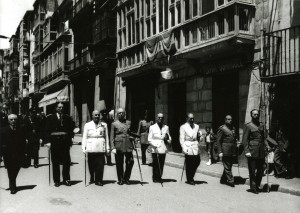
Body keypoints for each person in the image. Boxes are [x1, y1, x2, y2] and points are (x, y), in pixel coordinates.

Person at [45, 102, 75, 187]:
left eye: (62, 107)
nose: (61, 109)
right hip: (54, 143)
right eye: (59, 107)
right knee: (55, 162)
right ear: (56, 108)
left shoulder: (67, 118)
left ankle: (66, 179)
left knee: (66, 162)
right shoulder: (50, 118)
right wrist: (48, 142)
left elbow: (71, 130)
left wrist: (71, 138)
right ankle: (57, 180)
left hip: (65, 143)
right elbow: (47, 131)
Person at [242, 109, 270, 194]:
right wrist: (247, 151)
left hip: (261, 151)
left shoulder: (261, 125)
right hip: (252, 151)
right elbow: (245, 140)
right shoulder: (248, 126)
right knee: (252, 170)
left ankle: (257, 184)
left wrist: (267, 146)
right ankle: (253, 187)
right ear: (251, 115)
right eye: (254, 114)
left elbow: (264, 138)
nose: (256, 116)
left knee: (261, 169)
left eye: (257, 114)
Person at [0, 114, 27, 194]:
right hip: (7, 153)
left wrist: (25, 152)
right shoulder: (3, 130)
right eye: (11, 119)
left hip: (18, 153)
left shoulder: (21, 129)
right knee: (10, 169)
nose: (13, 121)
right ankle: (13, 186)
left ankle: (12, 181)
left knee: (17, 168)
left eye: (15, 119)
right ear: (8, 121)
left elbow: (23, 142)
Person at [82, 110, 110, 186]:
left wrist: (107, 148)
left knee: (100, 164)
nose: (97, 116)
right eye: (95, 115)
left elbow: (106, 137)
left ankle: (99, 180)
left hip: (101, 147)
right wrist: (83, 148)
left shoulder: (104, 125)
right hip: (91, 147)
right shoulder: (87, 125)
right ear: (92, 116)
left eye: (98, 115)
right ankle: (92, 176)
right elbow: (84, 137)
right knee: (91, 164)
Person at [110, 108, 134, 185]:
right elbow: (112, 137)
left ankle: (126, 178)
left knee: (130, 162)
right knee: (119, 163)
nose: (121, 114)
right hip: (119, 145)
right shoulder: (114, 124)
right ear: (117, 114)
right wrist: (112, 147)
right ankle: (120, 179)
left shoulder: (129, 122)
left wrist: (134, 139)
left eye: (122, 113)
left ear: (125, 114)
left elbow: (131, 133)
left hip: (128, 145)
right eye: (119, 113)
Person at [148, 113, 172, 183]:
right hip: (155, 147)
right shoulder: (152, 127)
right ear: (157, 118)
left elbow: (169, 138)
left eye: (162, 118)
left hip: (162, 147)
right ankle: (154, 177)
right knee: (155, 163)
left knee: (161, 163)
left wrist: (167, 139)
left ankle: (159, 177)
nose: (160, 119)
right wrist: (154, 145)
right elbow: (150, 139)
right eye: (159, 118)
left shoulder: (166, 127)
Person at [179, 113, 201, 185]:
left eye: (193, 118)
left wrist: (200, 136)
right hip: (187, 145)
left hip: (195, 145)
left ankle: (191, 176)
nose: (192, 120)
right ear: (187, 119)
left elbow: (198, 137)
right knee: (189, 163)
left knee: (197, 161)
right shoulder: (183, 127)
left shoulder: (196, 126)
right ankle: (189, 179)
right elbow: (182, 139)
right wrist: (183, 147)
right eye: (190, 118)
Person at [217, 115, 238, 187]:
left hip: (232, 150)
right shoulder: (222, 128)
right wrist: (220, 151)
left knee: (229, 165)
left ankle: (223, 179)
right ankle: (231, 180)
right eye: (228, 119)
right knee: (227, 165)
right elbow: (218, 141)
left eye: (231, 119)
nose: (230, 120)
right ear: (225, 120)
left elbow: (234, 139)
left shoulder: (233, 128)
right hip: (225, 149)